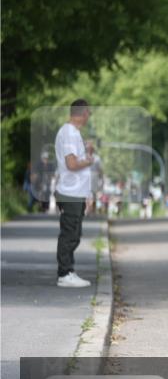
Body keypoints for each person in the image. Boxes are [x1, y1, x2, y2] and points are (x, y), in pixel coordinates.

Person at [54, 99, 95, 288]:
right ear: (83, 113)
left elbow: (74, 160)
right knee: (70, 234)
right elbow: (71, 164)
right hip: (69, 192)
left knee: (74, 234)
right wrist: (89, 162)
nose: (89, 116)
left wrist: (86, 153)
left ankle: (68, 271)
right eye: (89, 113)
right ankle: (65, 273)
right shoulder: (70, 133)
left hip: (75, 193)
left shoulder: (73, 133)